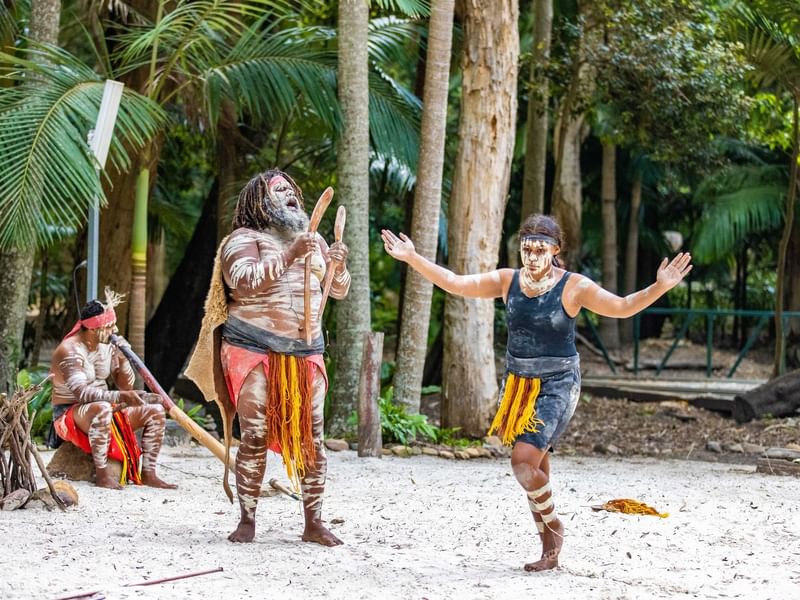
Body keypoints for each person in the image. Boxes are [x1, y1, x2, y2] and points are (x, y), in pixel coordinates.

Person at [381, 214, 692, 572]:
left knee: (522, 461)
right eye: (526, 249)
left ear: (555, 250)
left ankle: (555, 526)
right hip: (518, 385)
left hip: (559, 383)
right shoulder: (507, 280)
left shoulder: (574, 287)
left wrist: (660, 287)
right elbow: (454, 283)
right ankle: (549, 547)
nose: (531, 256)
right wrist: (412, 258)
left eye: (539, 249)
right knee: (535, 468)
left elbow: (621, 307)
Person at [186, 169, 350, 546]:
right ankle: (247, 519)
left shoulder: (315, 241)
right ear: (260, 201)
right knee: (255, 436)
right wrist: (293, 253)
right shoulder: (243, 239)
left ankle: (314, 521)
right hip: (253, 348)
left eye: (293, 190)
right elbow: (242, 280)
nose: (291, 194)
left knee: (313, 439)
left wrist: (338, 266)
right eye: (280, 191)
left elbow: (337, 291)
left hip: (306, 353)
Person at [51, 290, 176, 490]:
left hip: (106, 405)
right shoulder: (69, 350)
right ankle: (102, 475)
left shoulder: (107, 345)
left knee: (156, 411)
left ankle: (149, 473)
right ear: (93, 329)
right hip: (72, 413)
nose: (115, 329)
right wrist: (119, 397)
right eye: (109, 326)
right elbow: (81, 394)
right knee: (101, 408)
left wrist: (123, 358)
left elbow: (125, 385)